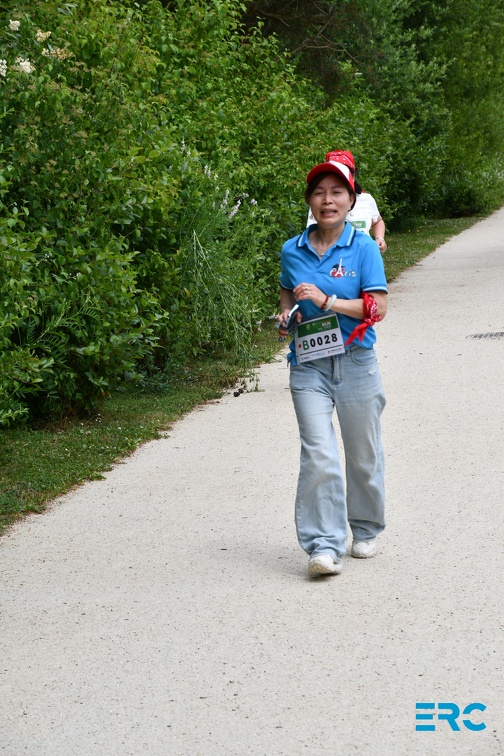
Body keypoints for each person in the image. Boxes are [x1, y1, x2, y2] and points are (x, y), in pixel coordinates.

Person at [277, 154, 388, 577]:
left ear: (351, 200)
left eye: (337, 192)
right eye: (319, 193)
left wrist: (328, 301)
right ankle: (323, 546)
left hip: (356, 361)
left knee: (362, 454)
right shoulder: (292, 249)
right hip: (309, 365)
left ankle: (365, 527)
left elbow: (378, 308)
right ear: (309, 201)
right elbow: (287, 294)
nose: (328, 200)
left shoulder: (363, 248)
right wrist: (285, 317)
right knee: (318, 454)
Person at [306, 150, 387, 254]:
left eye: (344, 174)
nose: (328, 200)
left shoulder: (366, 199)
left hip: (363, 256)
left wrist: (379, 238)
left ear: (353, 176)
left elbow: (377, 221)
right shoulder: (320, 206)